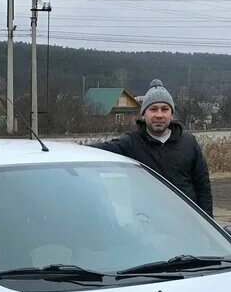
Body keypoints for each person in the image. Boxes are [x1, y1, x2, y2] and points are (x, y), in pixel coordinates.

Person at [91, 79, 213, 217]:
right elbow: (94, 151)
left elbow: (203, 187)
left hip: (185, 222)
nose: (159, 115)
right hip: (147, 224)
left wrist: (209, 224)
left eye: (165, 109)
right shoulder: (131, 143)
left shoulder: (188, 142)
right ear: (143, 114)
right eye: (153, 109)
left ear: (171, 114)